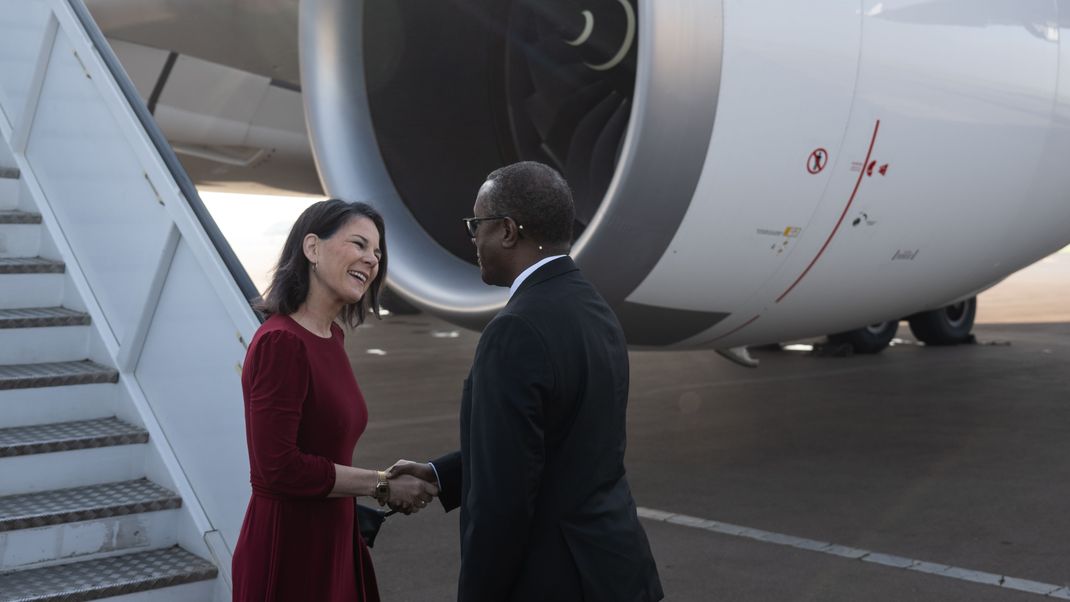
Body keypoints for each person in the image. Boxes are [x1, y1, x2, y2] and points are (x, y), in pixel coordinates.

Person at [390, 162, 663, 601]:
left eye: (476, 225)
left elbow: (504, 501)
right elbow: (558, 440)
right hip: (616, 570)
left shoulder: (516, 329)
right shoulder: (594, 309)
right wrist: (442, 475)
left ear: (508, 231)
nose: (473, 239)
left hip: (555, 580)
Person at [231, 199, 438, 601]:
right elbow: (278, 469)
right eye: (359, 244)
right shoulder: (282, 342)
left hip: (332, 535)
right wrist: (380, 483)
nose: (372, 259)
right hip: (291, 547)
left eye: (377, 252)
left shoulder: (331, 337)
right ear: (312, 248)